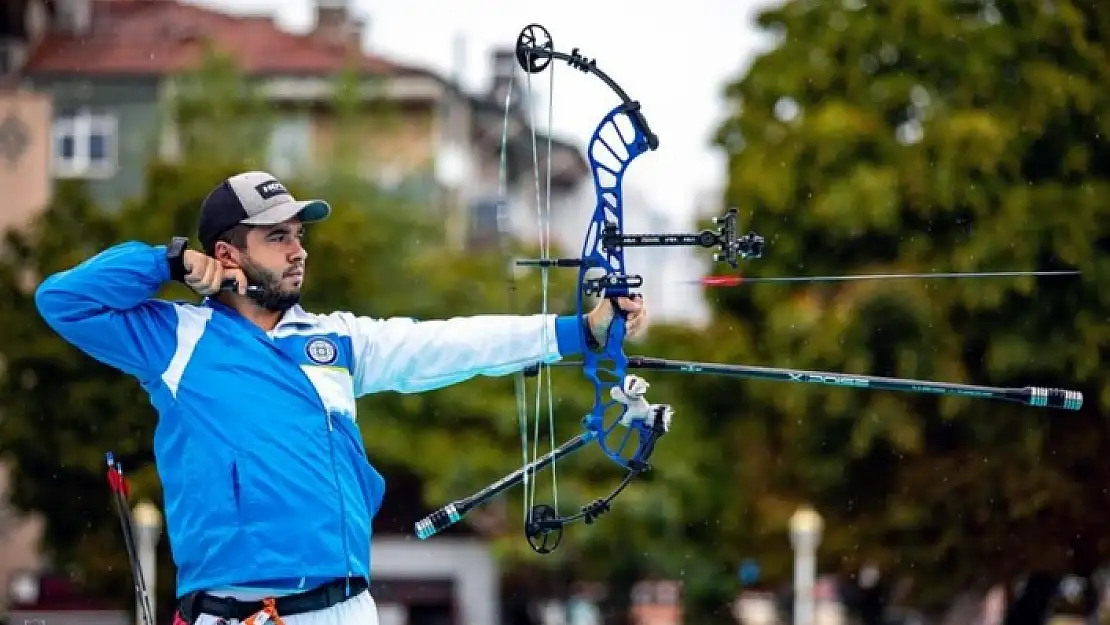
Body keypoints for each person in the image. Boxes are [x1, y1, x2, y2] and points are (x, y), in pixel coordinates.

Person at [34, 171, 649, 625]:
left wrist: (578, 331)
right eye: (277, 237)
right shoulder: (173, 338)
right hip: (238, 612)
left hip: (347, 607)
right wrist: (165, 260)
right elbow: (61, 300)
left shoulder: (335, 338)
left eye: (299, 235)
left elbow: (445, 345)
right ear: (227, 254)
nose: (298, 250)